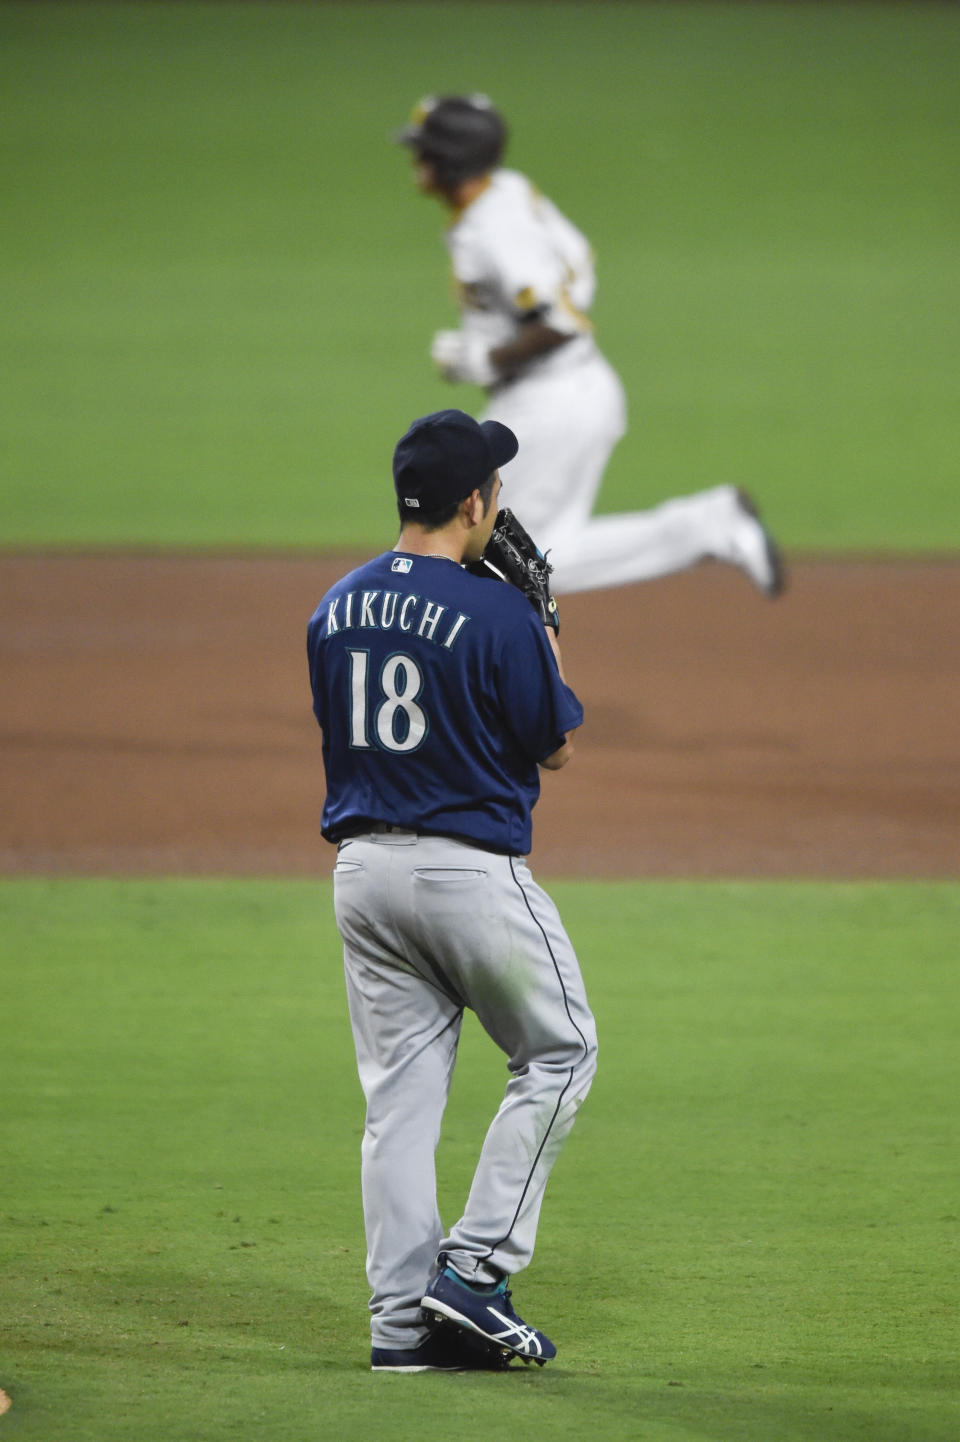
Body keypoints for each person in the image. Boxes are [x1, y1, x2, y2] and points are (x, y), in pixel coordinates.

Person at [307, 408, 597, 1372]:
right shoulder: (499, 612)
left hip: (361, 879)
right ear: (473, 502)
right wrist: (544, 624)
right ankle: (474, 1271)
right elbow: (554, 745)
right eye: (497, 489)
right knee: (561, 1053)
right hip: (465, 876)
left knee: (397, 1105)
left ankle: (400, 1332)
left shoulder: (332, 607)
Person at [396, 94, 785, 598]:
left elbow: (563, 320)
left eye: (424, 150)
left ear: (451, 158)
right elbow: (578, 263)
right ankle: (710, 524)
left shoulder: (494, 230)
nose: (416, 160)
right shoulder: (504, 192)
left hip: (554, 401)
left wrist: (486, 357)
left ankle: (711, 526)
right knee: (524, 555)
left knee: (506, 559)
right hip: (561, 392)